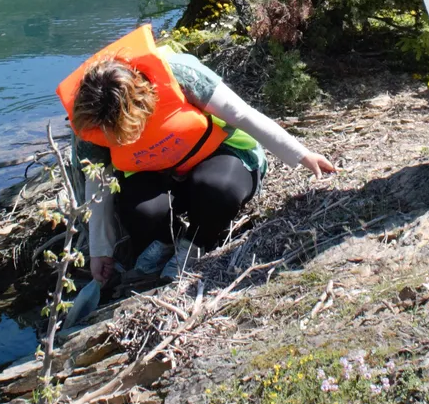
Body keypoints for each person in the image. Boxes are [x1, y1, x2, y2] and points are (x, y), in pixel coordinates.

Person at [59, 25, 336, 284]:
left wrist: (302, 155)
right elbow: (98, 184)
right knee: (140, 209)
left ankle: (196, 244)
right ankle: (167, 243)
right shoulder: (90, 119)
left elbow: (242, 115)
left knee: (217, 189)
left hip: (220, 157)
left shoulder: (180, 76)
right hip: (158, 172)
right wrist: (100, 251)